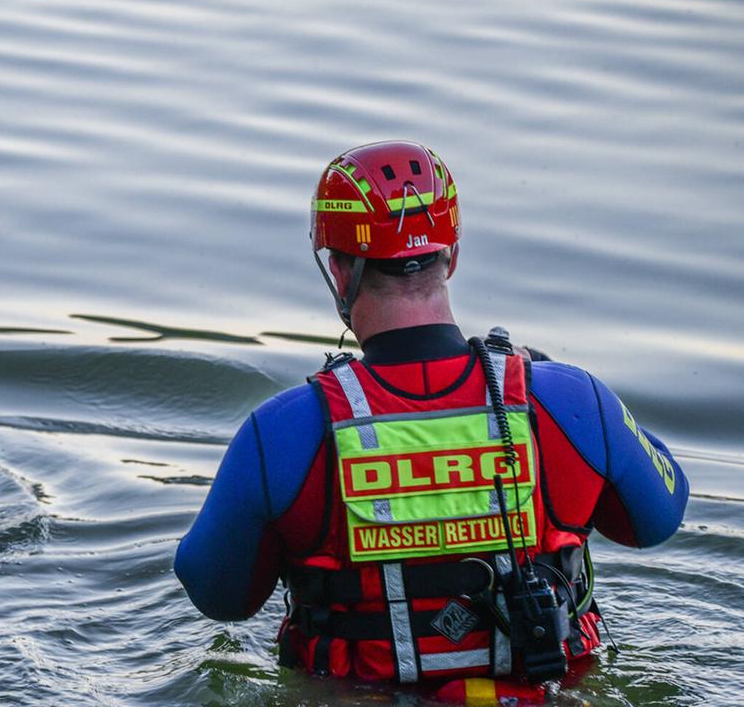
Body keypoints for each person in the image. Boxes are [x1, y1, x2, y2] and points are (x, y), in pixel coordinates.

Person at [174, 141, 688, 704]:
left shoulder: (283, 433)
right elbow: (659, 518)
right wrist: (590, 408)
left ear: (340, 271)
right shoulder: (571, 400)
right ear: (453, 255)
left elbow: (216, 593)